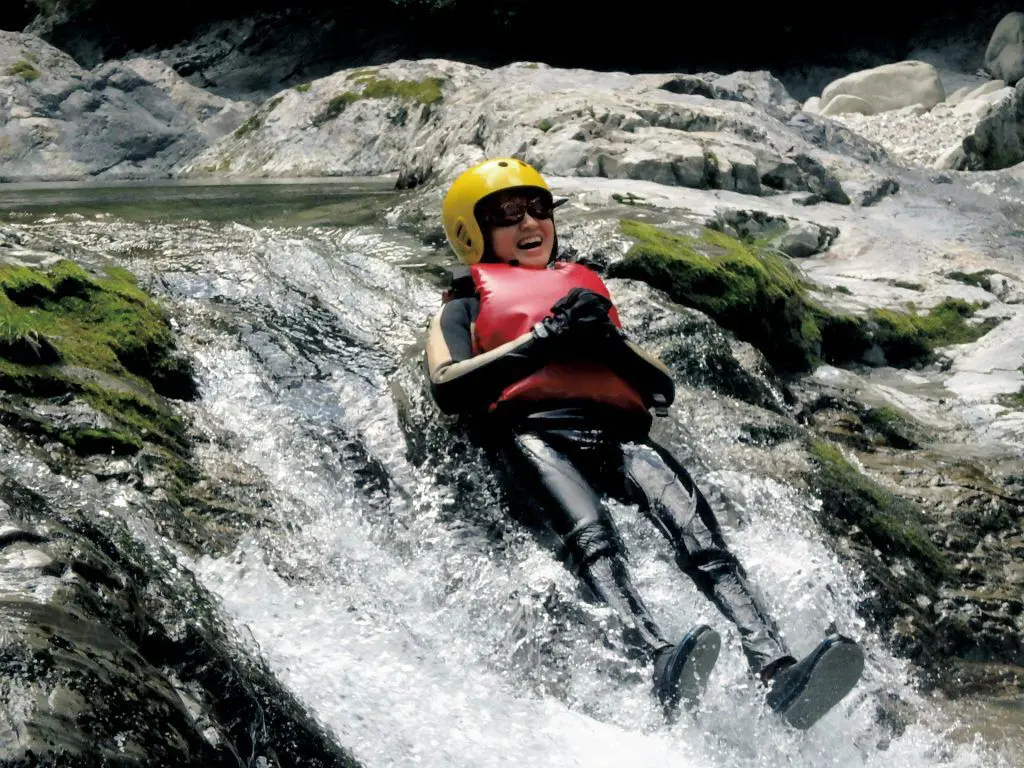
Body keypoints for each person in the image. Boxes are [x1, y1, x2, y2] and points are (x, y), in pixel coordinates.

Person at [423, 157, 864, 728]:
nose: (530, 221)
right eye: (507, 214)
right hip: (533, 436)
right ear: (472, 232)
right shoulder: (463, 307)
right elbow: (446, 384)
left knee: (697, 533)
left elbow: (660, 388)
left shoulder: (580, 295)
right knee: (596, 543)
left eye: (538, 208)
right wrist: (542, 340)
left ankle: (777, 669)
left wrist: (607, 341)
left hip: (614, 434)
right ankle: (655, 658)